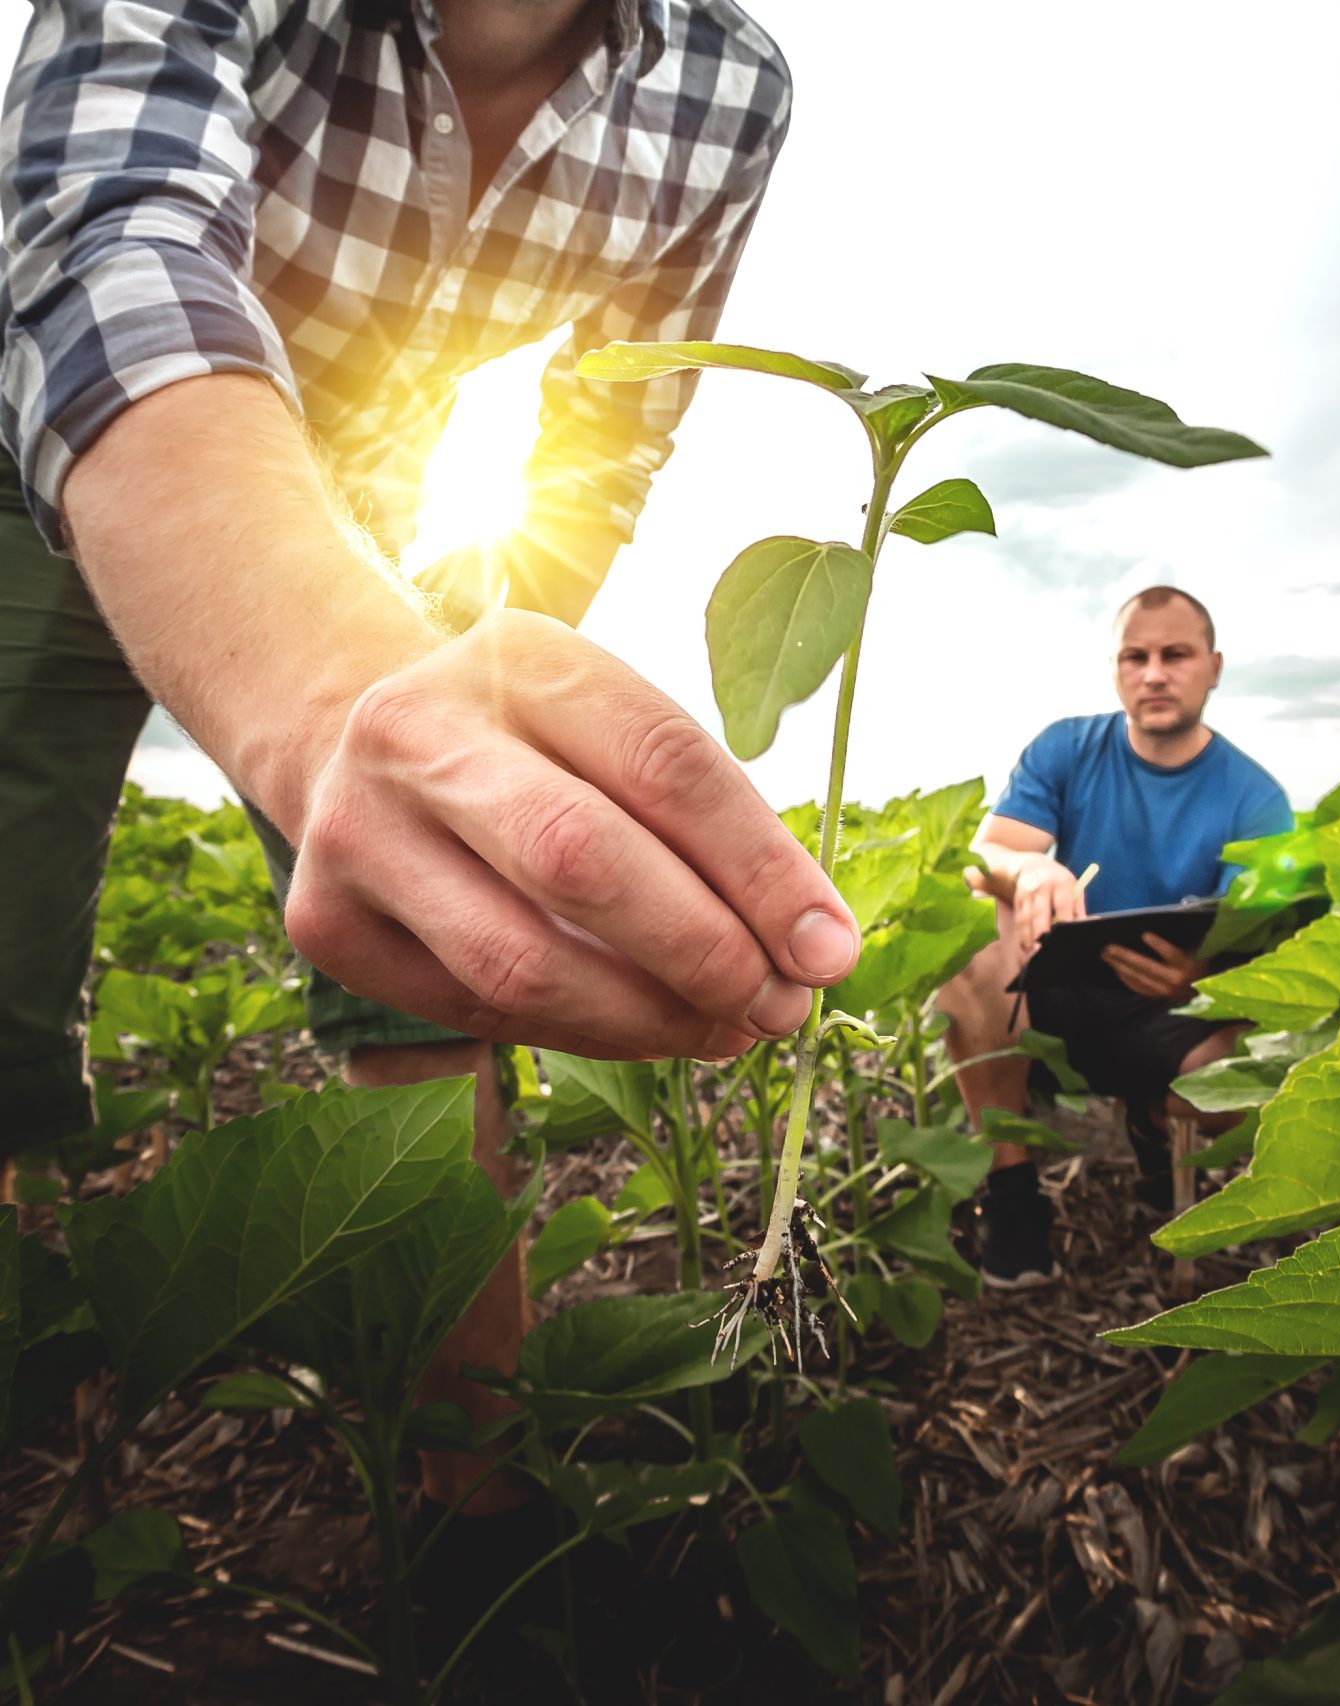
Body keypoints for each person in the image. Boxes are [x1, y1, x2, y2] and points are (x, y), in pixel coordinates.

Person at [0, 0, 857, 1513]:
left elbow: (607, 432)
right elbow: (105, 238)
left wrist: (499, 727)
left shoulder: (729, 87)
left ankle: (477, 1502)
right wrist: (336, 694)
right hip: (35, 463)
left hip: (361, 524)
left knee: (450, 967)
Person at [936, 585, 1295, 1286]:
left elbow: (1278, 947)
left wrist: (1203, 978)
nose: (1154, 672)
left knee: (1246, 1083)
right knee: (972, 931)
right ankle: (1010, 1196)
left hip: (1173, 1011)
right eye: (1136, 656)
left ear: (1214, 667)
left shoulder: (1259, 800)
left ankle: (1157, 1124)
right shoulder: (1066, 748)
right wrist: (1031, 869)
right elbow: (992, 854)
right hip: (1049, 995)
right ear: (1117, 669)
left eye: (1176, 655)